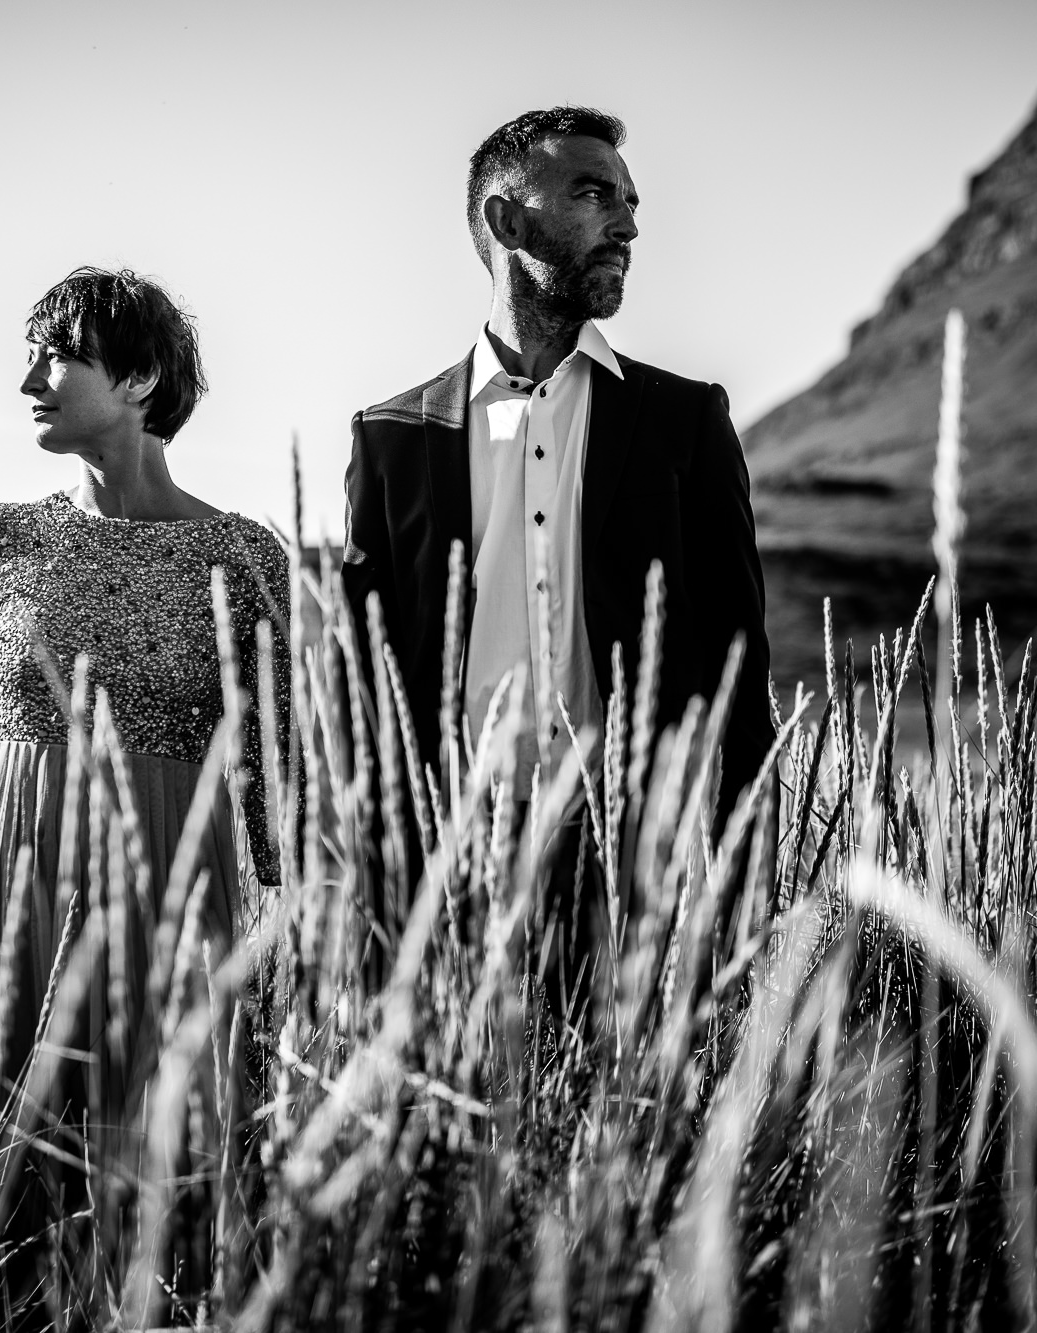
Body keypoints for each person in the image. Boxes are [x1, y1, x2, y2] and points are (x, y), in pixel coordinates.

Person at [0, 266, 288, 1321]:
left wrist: (304, 941)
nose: (29, 380)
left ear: (139, 378)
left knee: (143, 1196)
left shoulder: (239, 555)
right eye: (31, 356)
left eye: (58, 357)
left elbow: (277, 781)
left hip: (165, 906)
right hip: (0, 900)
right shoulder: (0, 539)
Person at [340, 106, 774, 1006]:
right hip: (444, 858)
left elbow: (740, 658)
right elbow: (366, 677)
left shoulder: (685, 421)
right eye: (593, 194)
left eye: (631, 201)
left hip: (630, 859)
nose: (628, 224)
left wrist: (741, 871)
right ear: (507, 221)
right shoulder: (392, 437)